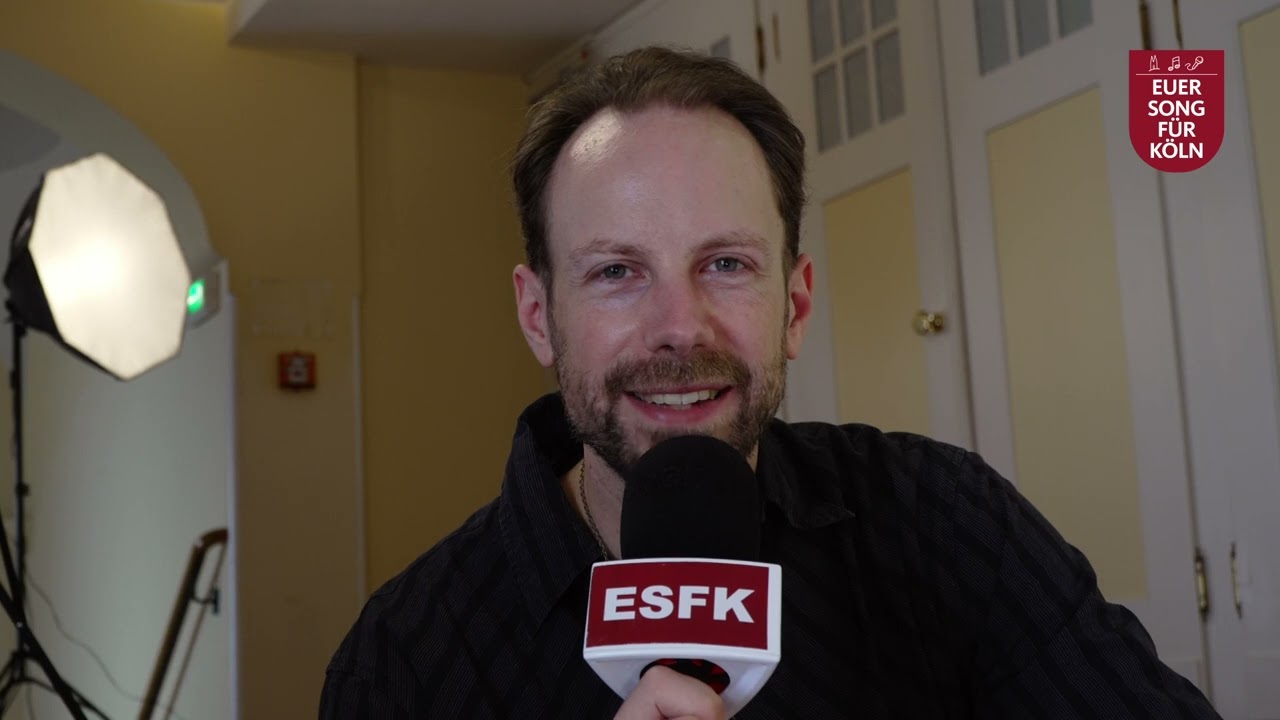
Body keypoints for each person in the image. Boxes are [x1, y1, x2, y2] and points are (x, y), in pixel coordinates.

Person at [319, 46, 1223, 719]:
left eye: (725, 264)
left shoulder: (948, 524)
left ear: (794, 303)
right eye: (616, 272)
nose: (680, 328)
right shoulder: (403, 662)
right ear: (535, 315)